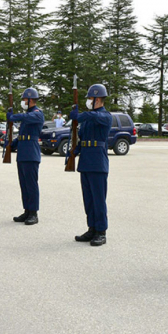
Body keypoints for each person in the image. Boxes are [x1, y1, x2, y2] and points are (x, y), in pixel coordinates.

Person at [69, 84, 111, 246]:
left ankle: (101, 231)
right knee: (88, 198)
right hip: (86, 161)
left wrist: (79, 115)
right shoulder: (88, 118)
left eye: (90, 99)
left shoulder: (105, 116)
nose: (88, 101)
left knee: (98, 198)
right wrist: (75, 151)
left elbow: (93, 117)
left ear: (98, 99)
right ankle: (92, 227)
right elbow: (82, 136)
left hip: (97, 162)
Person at [7, 88, 45, 224]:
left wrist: (13, 117)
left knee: (31, 184)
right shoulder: (27, 114)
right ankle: (27, 210)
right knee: (23, 184)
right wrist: (11, 144)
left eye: (24, 100)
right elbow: (22, 135)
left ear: (30, 100)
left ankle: (34, 213)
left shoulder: (37, 113)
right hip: (23, 152)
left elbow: (27, 118)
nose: (22, 102)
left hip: (31, 153)